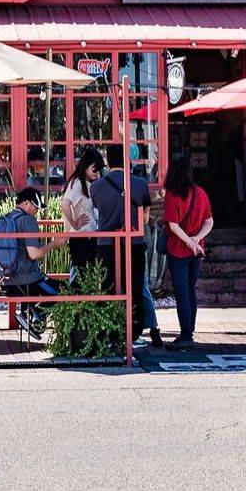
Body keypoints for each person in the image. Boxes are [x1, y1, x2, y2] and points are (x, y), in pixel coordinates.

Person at [90, 143, 152, 344]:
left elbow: (96, 211)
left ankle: (111, 331)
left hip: (106, 243)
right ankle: (133, 333)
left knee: (108, 287)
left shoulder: (96, 186)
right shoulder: (140, 183)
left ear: (107, 160)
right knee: (134, 286)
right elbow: (145, 218)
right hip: (134, 242)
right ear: (128, 160)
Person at [0, 187, 67, 339]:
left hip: (6, 282)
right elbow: (34, 254)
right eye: (36, 206)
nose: (37, 210)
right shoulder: (27, 221)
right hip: (27, 281)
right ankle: (34, 318)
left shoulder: (5, 219)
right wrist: (54, 244)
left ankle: (29, 312)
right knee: (65, 291)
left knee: (45, 285)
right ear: (26, 203)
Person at [163, 154, 214, 350]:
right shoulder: (200, 193)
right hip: (196, 251)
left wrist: (189, 242)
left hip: (178, 250)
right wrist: (196, 240)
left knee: (182, 292)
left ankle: (185, 334)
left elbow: (173, 226)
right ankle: (189, 329)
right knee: (190, 290)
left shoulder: (172, 195)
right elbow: (209, 222)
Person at [62, 147, 104, 277]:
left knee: (87, 274)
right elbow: (64, 204)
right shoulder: (78, 183)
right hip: (81, 237)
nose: (97, 173)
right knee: (84, 274)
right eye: (94, 169)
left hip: (88, 235)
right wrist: (74, 224)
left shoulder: (86, 183)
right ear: (86, 165)